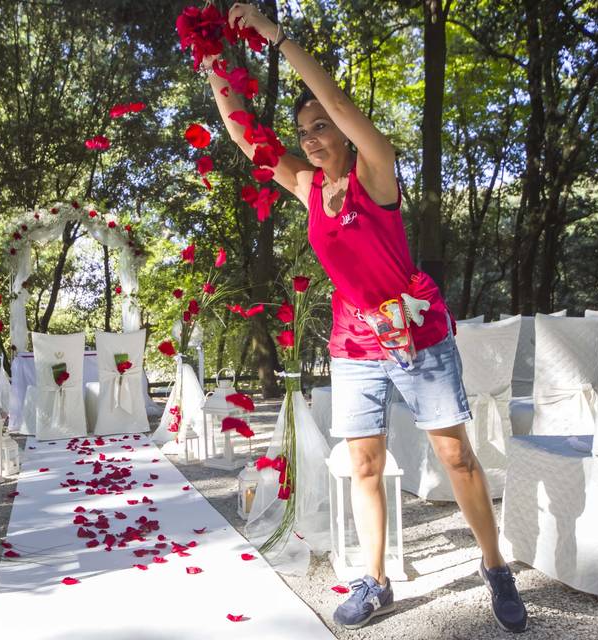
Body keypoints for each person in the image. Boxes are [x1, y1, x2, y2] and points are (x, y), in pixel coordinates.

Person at [208, 4, 528, 633]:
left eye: (322, 127)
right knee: (365, 464)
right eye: (304, 131)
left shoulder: (375, 174)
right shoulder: (308, 189)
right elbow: (248, 136)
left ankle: (495, 568)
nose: (313, 137)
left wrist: (277, 39)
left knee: (455, 456)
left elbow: (345, 110)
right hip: (356, 340)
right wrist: (213, 61)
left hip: (416, 330)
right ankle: (375, 581)